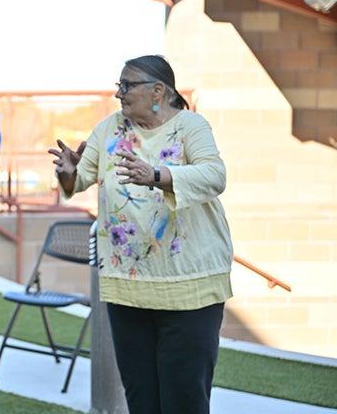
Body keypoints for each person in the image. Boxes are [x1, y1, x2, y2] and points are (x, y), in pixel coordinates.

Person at [49, 55, 232, 414]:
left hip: (189, 288)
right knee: (141, 398)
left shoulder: (191, 126)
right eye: (119, 85)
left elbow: (215, 176)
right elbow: (77, 181)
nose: (119, 93)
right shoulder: (109, 129)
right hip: (128, 287)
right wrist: (68, 171)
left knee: (184, 399)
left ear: (158, 91)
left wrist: (158, 176)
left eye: (127, 85)